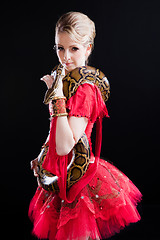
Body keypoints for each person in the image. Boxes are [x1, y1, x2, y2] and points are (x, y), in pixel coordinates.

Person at [29, 11, 142, 240]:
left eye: (74, 49)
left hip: (79, 180)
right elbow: (56, 134)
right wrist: (43, 157)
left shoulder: (85, 90)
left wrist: (57, 97)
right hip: (62, 173)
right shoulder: (66, 81)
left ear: (88, 48)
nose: (65, 57)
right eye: (60, 48)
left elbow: (65, 146)